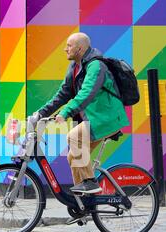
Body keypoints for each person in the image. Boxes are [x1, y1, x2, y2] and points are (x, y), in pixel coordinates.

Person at [31, 32, 130, 195]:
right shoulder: (75, 67)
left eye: (69, 46)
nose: (65, 49)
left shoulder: (96, 66)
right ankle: (85, 200)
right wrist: (40, 114)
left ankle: (90, 184)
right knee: (73, 156)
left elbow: (86, 93)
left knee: (73, 137)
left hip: (107, 119)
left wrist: (66, 112)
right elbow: (62, 94)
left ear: (80, 48)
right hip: (95, 120)